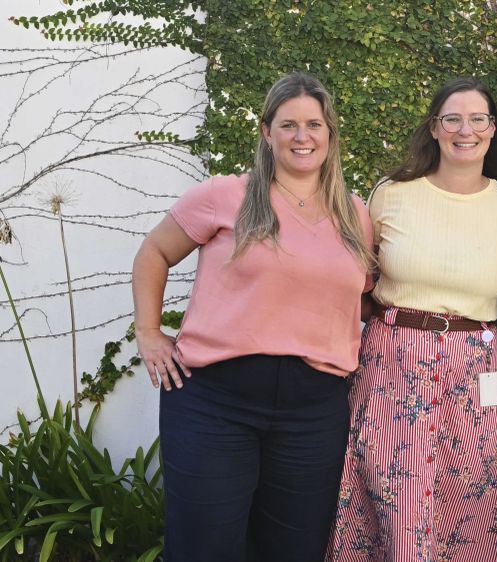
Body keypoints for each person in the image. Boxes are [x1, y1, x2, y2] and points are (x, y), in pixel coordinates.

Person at [131, 72, 374, 562]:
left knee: (293, 550)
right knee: (206, 546)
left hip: (313, 411)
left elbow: (360, 299)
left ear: (330, 133)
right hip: (216, 403)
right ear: (267, 132)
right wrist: (149, 331)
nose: (302, 137)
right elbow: (154, 251)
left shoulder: (355, 215)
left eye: (314, 124)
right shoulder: (224, 196)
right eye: (288, 125)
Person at [327, 77, 497, 562]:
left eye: (478, 118)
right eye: (452, 118)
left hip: (477, 369)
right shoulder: (392, 194)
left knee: (477, 497)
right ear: (434, 128)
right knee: (394, 496)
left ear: (493, 130)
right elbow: (358, 284)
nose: (465, 129)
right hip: (393, 360)